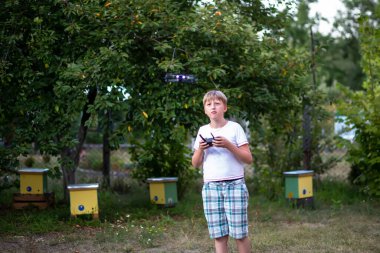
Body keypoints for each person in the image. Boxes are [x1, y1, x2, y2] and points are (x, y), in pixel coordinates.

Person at [192, 90, 253, 253]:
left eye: (217, 103)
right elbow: (195, 164)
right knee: (219, 236)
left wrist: (228, 145)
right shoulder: (202, 131)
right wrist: (200, 150)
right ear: (205, 109)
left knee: (240, 234)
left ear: (224, 107)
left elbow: (248, 158)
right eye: (209, 104)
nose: (213, 107)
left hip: (235, 186)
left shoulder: (235, 128)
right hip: (211, 188)